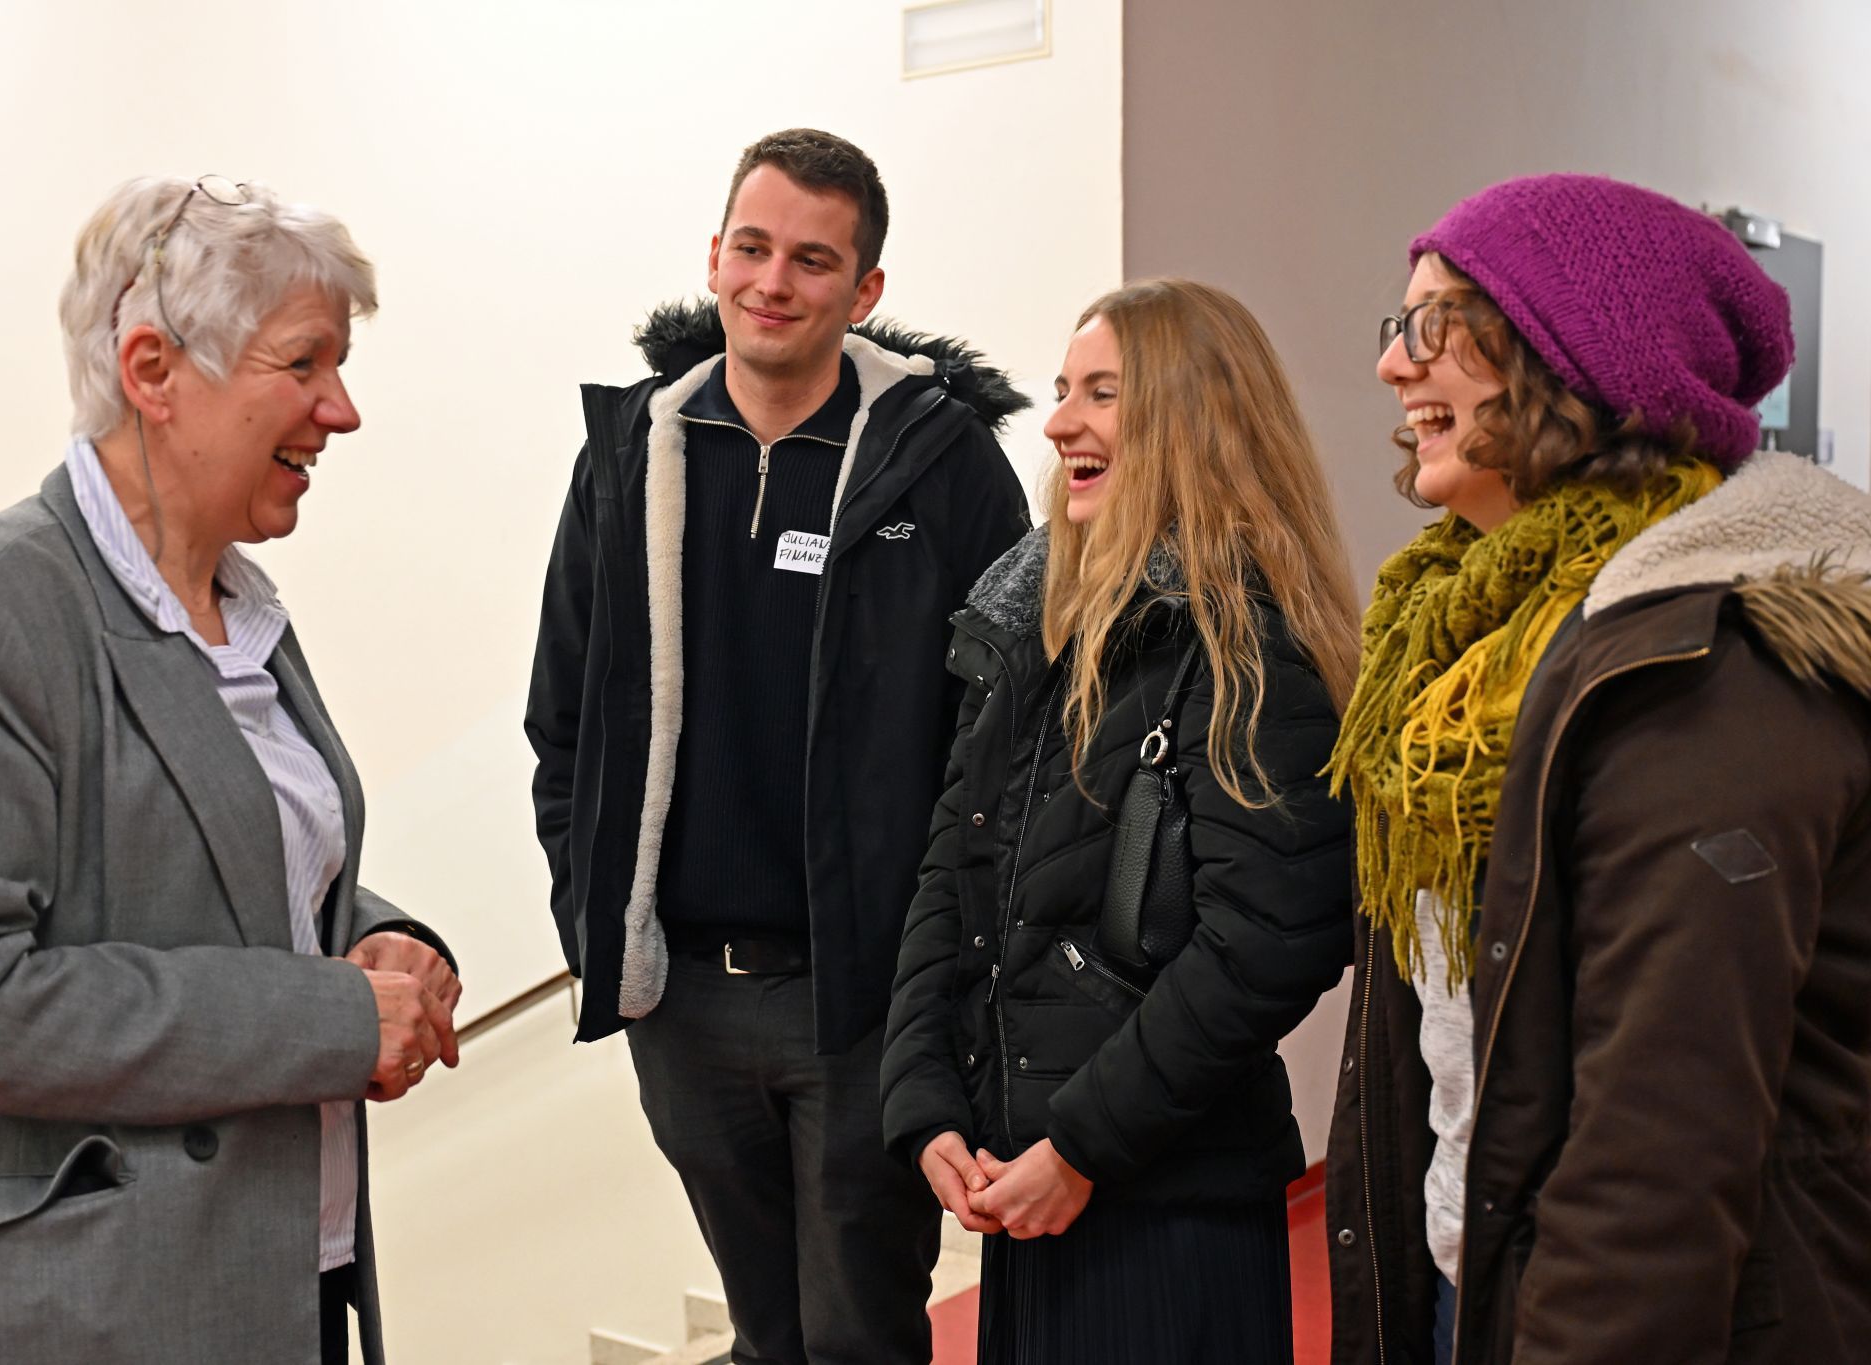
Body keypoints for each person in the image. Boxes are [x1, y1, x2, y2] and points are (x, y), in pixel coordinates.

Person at [0, 176, 461, 1365]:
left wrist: (375, 938)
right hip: (77, 1313)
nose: (343, 409)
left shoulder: (240, 607)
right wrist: (327, 1016)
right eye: (305, 364)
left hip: (278, 1274)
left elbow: (214, 864)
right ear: (154, 370)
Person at [1324, 173, 1871, 1365]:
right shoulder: (1456, 641)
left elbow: (1656, 1157)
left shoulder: (1699, 667)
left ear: (1572, 357)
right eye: (1396, 327)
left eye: (1437, 324)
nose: (1392, 367)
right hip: (1468, 1264)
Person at [525, 127, 1030, 1362]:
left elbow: (1008, 741)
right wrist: (592, 913)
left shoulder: (944, 467)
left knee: (859, 1327)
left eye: (811, 261)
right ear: (712, 257)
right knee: (762, 1332)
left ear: (862, 292)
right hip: (681, 1002)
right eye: (751, 249)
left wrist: (945, 978)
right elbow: (564, 722)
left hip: (862, 1002)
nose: (771, 282)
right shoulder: (630, 456)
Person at [882, 278, 1359, 1362]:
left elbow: (1269, 940)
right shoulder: (1033, 627)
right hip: (1028, 1188)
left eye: (1102, 393)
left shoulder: (1249, 648)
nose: (1057, 423)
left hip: (1161, 1209)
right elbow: (948, 874)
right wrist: (923, 1104)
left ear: (1193, 417)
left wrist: (1083, 1146)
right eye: (1061, 391)